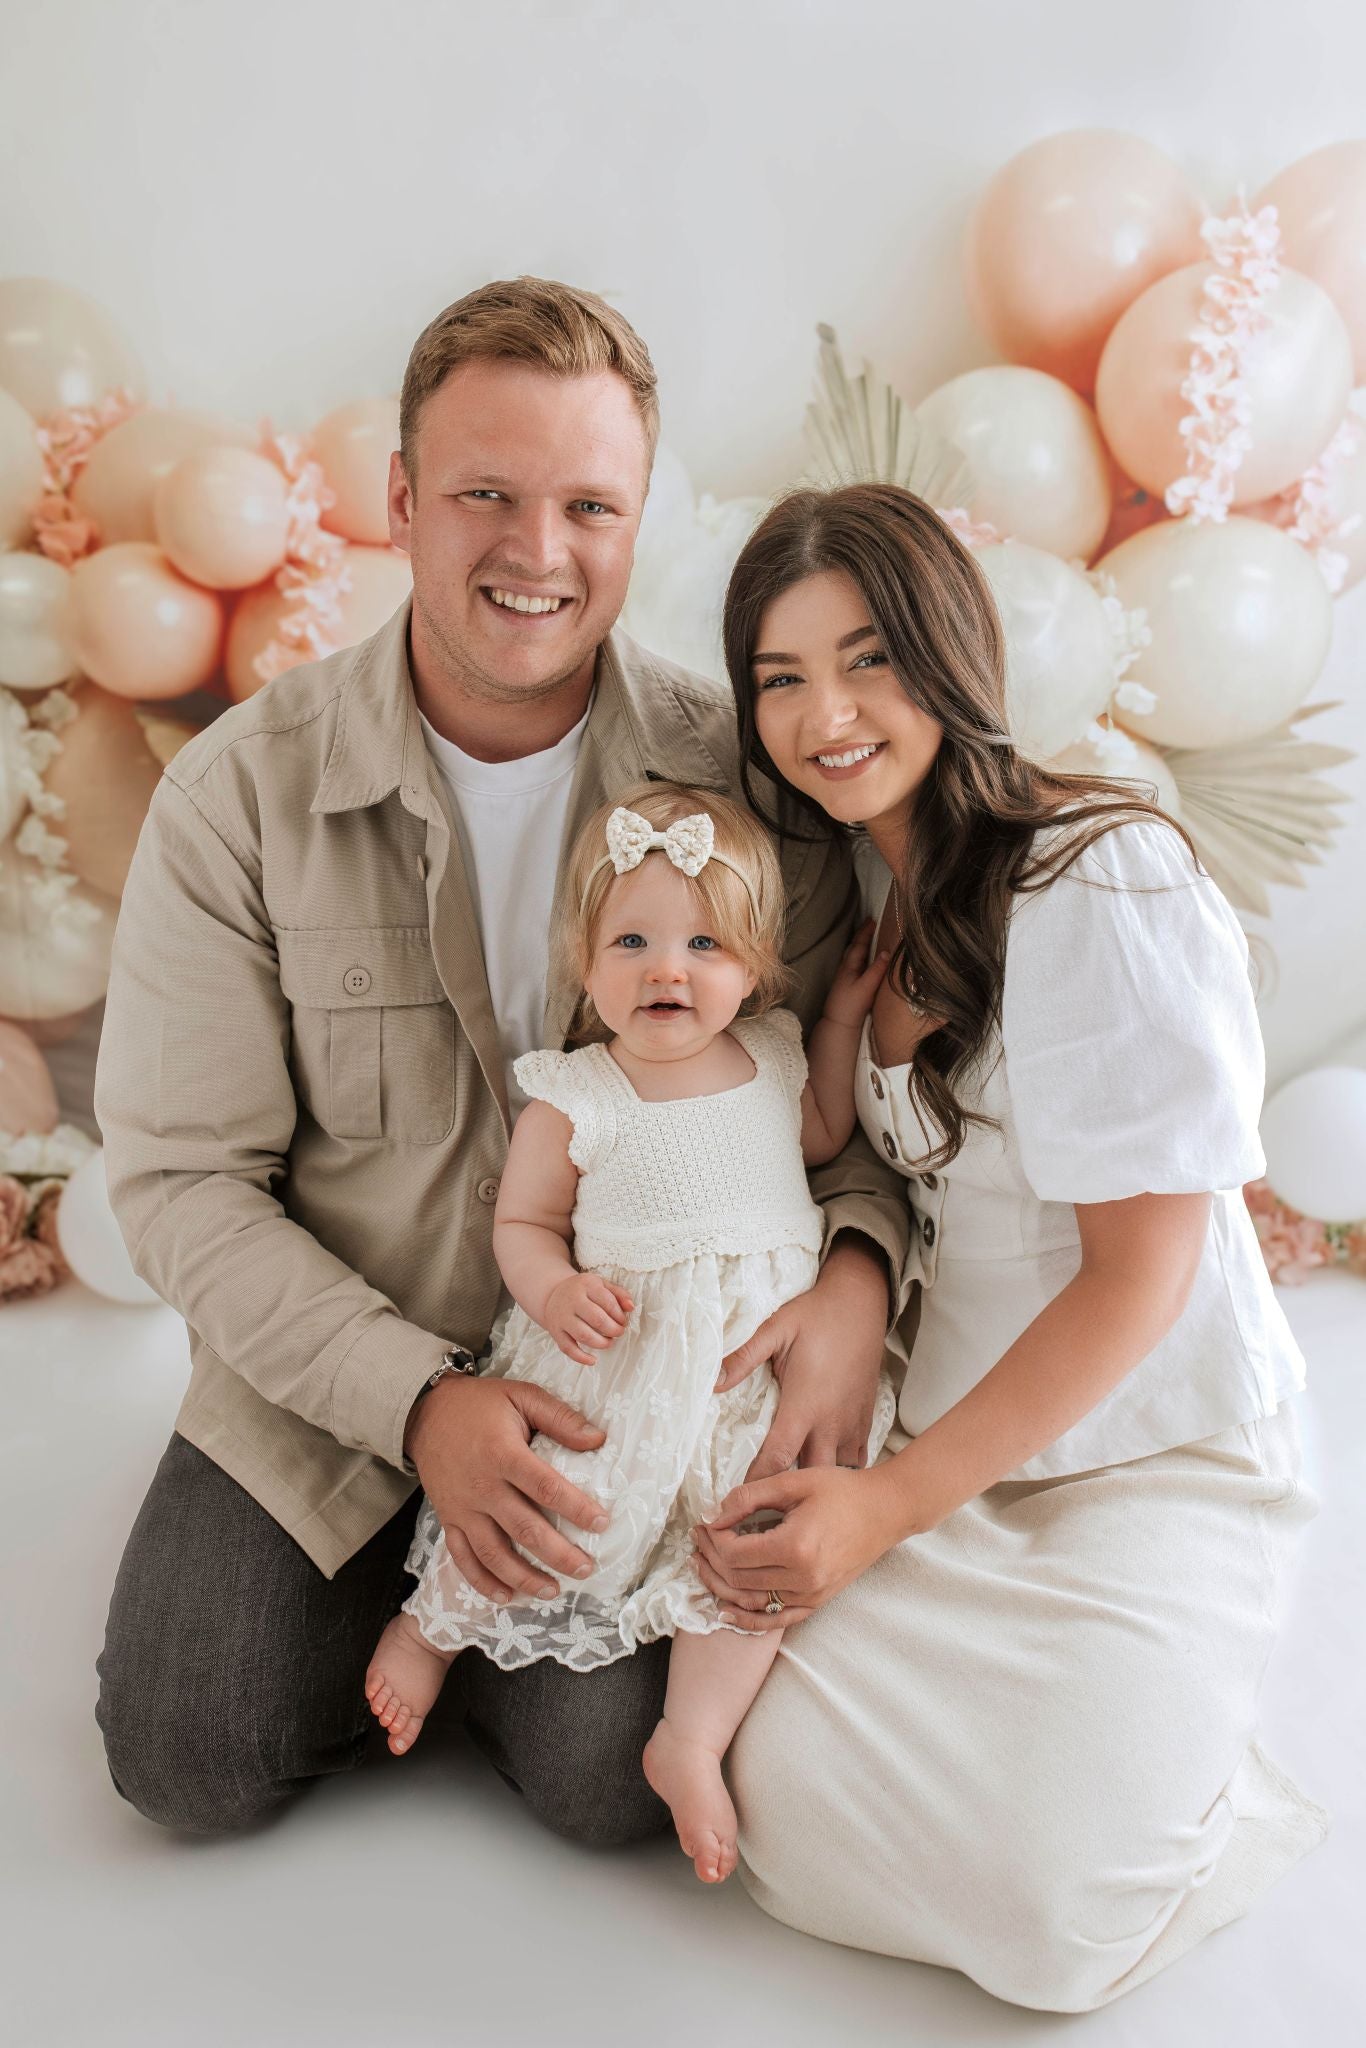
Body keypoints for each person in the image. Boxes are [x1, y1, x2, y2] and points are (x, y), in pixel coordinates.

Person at [93, 283, 908, 1841]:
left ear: (636, 515)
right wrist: (417, 1411)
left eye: (587, 503)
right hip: (339, 1379)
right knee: (187, 1753)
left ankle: (480, 1636)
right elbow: (185, 1183)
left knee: (610, 1785)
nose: (537, 552)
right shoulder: (238, 796)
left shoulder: (741, 789)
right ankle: (408, 1599)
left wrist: (856, 1286)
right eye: (484, 493)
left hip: (629, 1405)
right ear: (400, 500)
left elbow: (835, 1111)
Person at [693, 482, 1327, 2012]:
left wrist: (883, 1510)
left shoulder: (1094, 874)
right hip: (960, 1426)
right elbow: (873, 1166)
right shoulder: (865, 887)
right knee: (758, 1754)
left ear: (948, 653)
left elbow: (1139, 1280)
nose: (823, 716)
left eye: (864, 661)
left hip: (1142, 1442)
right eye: (779, 680)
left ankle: (1179, 1776)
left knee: (1058, 1932)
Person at [365, 781, 897, 1882]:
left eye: (704, 941)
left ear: (752, 964)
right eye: (634, 940)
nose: (668, 967)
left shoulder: (776, 1055)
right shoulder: (578, 1092)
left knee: (748, 1548)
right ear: (586, 957)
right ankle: (427, 1630)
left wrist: (842, 1019)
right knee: (552, 1518)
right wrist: (554, 1289)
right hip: (619, 1368)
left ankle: (687, 1737)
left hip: (746, 1382)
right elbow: (525, 1219)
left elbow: (825, 1130)